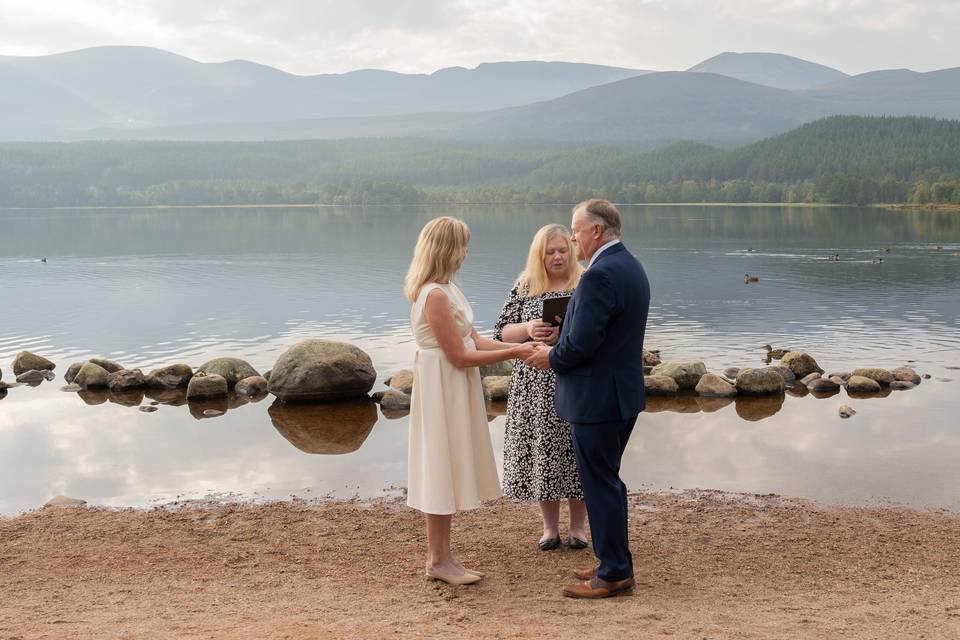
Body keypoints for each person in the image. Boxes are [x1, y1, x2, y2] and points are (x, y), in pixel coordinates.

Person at [525, 199, 650, 599]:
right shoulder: (631, 266)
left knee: (600, 484)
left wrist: (550, 356)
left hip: (597, 399)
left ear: (596, 231)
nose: (573, 238)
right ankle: (614, 561)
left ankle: (614, 573)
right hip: (621, 395)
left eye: (576, 231)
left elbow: (583, 344)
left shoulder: (598, 276)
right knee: (607, 481)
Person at [404, 216, 537, 586]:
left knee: (447, 464)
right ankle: (436, 560)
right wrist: (517, 353)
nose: (466, 253)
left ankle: (443, 557)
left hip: (452, 385)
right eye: (463, 245)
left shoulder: (446, 289)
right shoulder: (433, 295)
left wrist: (519, 348)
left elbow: (475, 341)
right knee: (439, 466)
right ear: (447, 249)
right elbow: (459, 356)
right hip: (442, 386)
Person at [493, 224, 588, 551]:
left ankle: (578, 528)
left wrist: (565, 338)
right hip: (534, 387)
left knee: (578, 454)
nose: (558, 256)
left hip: (576, 380)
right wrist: (528, 328)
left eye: (563, 250)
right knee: (543, 453)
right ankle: (550, 529)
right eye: (551, 252)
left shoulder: (585, 282)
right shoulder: (525, 285)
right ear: (540, 255)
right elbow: (501, 333)